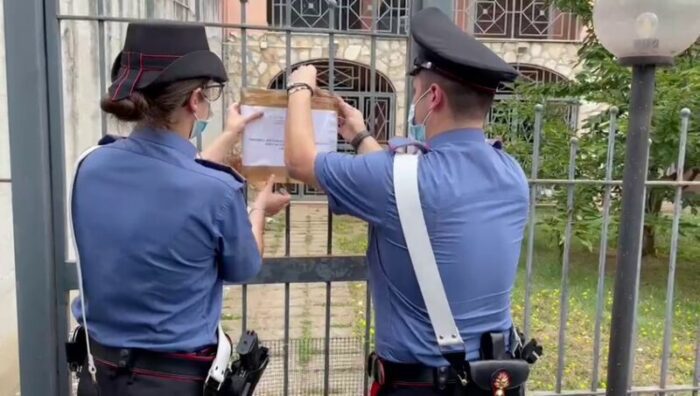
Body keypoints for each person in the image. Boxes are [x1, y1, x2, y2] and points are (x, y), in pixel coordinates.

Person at [284, 7, 535, 396]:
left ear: (433, 96)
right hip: (494, 382)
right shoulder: (511, 174)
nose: (415, 97)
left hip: (418, 385)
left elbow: (300, 162)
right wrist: (361, 136)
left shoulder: (401, 177)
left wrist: (299, 86)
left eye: (417, 89)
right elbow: (407, 193)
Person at [69, 22, 290, 395]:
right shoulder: (216, 191)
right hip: (174, 380)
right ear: (195, 100)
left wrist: (231, 133)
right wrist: (258, 211)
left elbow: (173, 176)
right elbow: (246, 264)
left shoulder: (88, 166)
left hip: (101, 373)